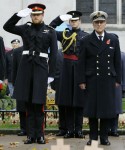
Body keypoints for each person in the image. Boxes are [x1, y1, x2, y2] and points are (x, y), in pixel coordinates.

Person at [3, 3, 57, 144]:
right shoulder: (25, 28)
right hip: (26, 69)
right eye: (33, 14)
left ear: (43, 15)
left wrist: (51, 74)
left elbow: (54, 55)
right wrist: (18, 15)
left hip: (41, 69)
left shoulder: (50, 31)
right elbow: (7, 27)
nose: (35, 17)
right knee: (27, 103)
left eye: (38, 14)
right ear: (31, 15)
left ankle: (40, 135)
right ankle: (30, 135)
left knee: (38, 104)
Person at [78, 11, 121, 145]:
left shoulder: (113, 39)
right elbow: (81, 63)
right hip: (92, 80)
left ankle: (104, 137)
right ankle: (93, 138)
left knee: (106, 110)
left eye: (101, 22)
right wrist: (81, 80)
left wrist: (118, 80)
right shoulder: (85, 40)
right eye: (96, 22)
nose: (99, 24)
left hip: (108, 80)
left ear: (105, 23)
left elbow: (117, 61)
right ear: (93, 24)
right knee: (92, 110)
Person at [50, 11, 88, 138]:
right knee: (68, 101)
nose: (74, 22)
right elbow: (49, 29)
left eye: (76, 20)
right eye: (71, 20)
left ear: (80, 21)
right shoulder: (64, 34)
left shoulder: (86, 36)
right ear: (69, 22)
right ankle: (70, 130)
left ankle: (79, 130)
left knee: (79, 101)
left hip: (79, 69)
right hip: (66, 68)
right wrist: (59, 18)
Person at [50, 49, 67, 136]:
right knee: (61, 107)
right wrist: (54, 85)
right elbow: (53, 70)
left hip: (69, 84)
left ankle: (69, 128)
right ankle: (62, 128)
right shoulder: (57, 53)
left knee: (71, 108)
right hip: (60, 84)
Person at [12, 46, 27, 136]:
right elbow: (14, 68)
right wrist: (14, 82)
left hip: (33, 81)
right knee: (21, 107)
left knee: (32, 107)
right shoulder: (17, 51)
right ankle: (23, 128)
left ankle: (32, 128)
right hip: (20, 81)